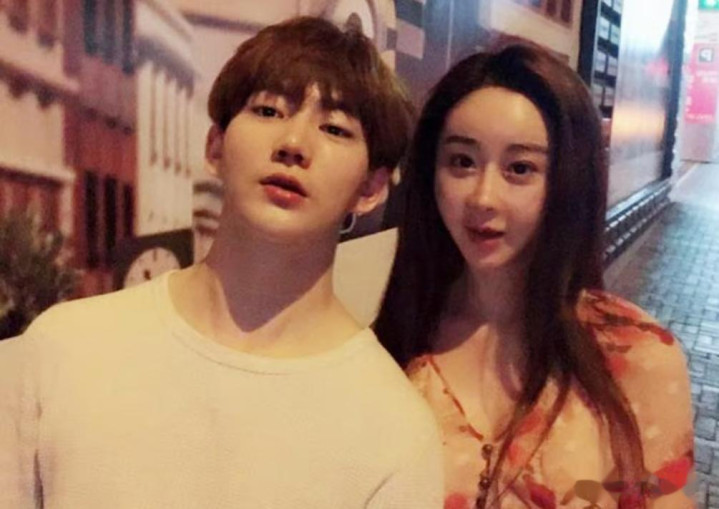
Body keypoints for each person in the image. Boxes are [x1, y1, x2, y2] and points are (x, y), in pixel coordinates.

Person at [0, 17, 443, 508]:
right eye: (269, 110)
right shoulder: (64, 349)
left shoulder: (393, 432)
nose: (294, 144)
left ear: (372, 188)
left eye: (335, 129)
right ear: (215, 145)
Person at [374, 43, 694, 509]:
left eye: (520, 169)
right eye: (462, 162)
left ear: (568, 181)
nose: (483, 197)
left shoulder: (636, 354)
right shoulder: (401, 337)